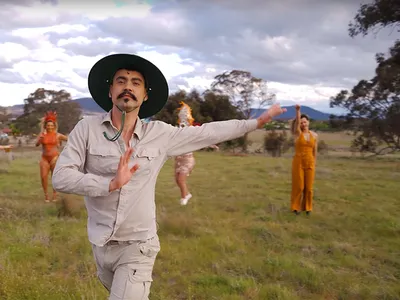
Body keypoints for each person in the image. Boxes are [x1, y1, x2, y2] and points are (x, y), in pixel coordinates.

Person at [51, 53, 287, 300]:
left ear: (145, 95)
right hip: (100, 244)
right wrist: (109, 184)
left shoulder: (161, 134)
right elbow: (61, 177)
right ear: (110, 91)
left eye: (136, 82)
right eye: (121, 81)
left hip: (138, 245)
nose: (128, 86)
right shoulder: (86, 129)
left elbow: (208, 132)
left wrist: (256, 122)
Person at [290, 104, 318, 215]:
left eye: (305, 122)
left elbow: (315, 151)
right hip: (298, 162)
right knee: (299, 186)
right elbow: (297, 122)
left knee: (309, 188)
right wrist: (298, 111)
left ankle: (308, 208)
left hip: (310, 161)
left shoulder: (315, 135)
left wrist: (314, 163)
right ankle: (295, 208)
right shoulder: (298, 133)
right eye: (301, 122)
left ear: (308, 122)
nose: (303, 124)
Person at [36, 111, 68, 202]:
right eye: (48, 125)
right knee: (43, 176)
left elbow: (70, 141)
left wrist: (63, 153)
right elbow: (36, 144)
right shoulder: (42, 135)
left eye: (51, 125)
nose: (50, 127)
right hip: (44, 158)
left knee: (55, 177)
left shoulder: (58, 135)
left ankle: (55, 194)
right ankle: (46, 195)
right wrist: (40, 140)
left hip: (55, 158)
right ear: (45, 126)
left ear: (54, 126)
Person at [174, 101, 196, 205]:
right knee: (177, 180)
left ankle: (184, 198)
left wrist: (212, 144)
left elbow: (201, 137)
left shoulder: (192, 130)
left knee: (181, 179)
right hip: (178, 159)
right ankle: (187, 194)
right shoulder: (177, 129)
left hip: (187, 159)